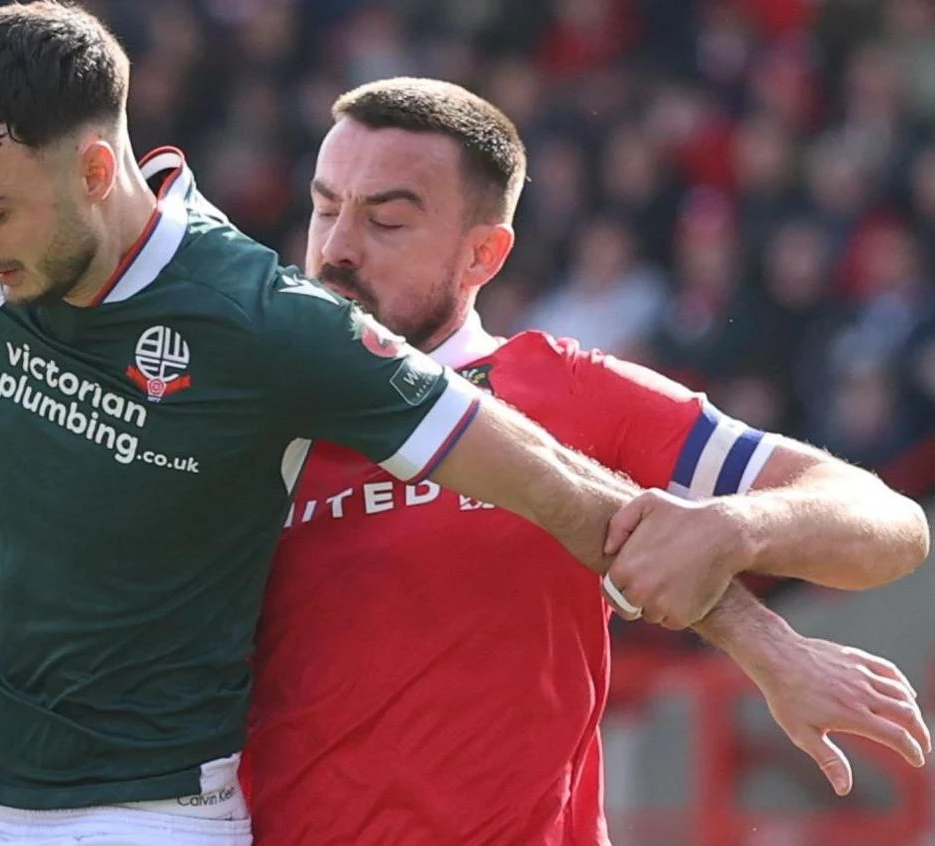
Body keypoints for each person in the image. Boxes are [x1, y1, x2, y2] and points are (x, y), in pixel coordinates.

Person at [0, 4, 855, 843]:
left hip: (151, 815)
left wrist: (766, 630)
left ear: (97, 168)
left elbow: (557, 484)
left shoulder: (272, 328)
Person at [240, 77, 933, 845]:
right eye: (326, 206)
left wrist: (736, 528)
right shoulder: (243, 413)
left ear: (483, 255)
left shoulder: (565, 390)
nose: (336, 247)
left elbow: (889, 521)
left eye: (388, 221)